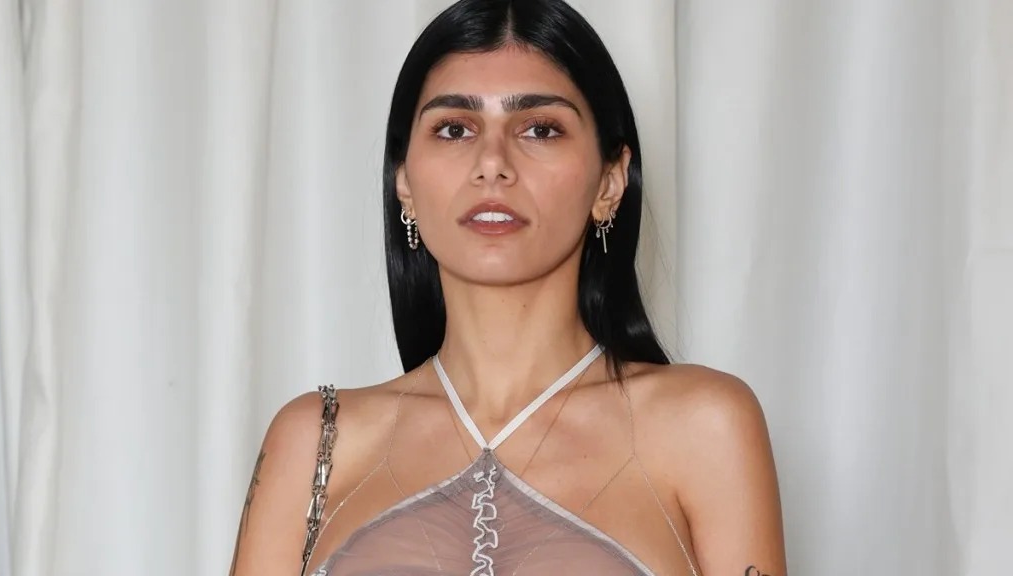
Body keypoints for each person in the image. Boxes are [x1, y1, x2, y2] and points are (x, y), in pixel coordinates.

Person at [228, 0, 787, 574]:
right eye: (454, 129)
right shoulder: (315, 443)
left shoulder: (705, 427)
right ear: (404, 182)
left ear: (610, 182)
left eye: (540, 129)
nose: (492, 163)